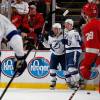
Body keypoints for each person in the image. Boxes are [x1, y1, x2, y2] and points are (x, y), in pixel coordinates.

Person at [42, 23, 66, 89]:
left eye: (58, 29)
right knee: (52, 68)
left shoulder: (65, 34)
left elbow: (70, 43)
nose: (57, 30)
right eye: (55, 29)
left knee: (65, 70)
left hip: (63, 54)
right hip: (54, 54)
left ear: (60, 29)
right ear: (53, 29)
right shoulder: (50, 36)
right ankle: (53, 82)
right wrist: (43, 41)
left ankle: (69, 82)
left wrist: (67, 42)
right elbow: (48, 45)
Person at [79, 3, 100, 79]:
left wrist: (85, 65)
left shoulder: (89, 26)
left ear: (86, 14)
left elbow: (92, 49)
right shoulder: (98, 23)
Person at [62, 19, 83, 88]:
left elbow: (78, 42)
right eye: (65, 24)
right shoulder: (65, 32)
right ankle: (70, 83)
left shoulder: (74, 32)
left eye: (67, 24)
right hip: (68, 52)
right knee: (66, 69)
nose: (65, 25)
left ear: (71, 25)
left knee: (71, 68)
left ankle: (79, 82)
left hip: (74, 51)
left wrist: (66, 42)